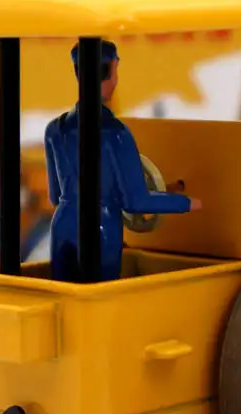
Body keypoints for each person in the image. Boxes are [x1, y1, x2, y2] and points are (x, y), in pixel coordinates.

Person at [44, 40, 201, 282]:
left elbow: (56, 196)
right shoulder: (116, 134)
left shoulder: (55, 128)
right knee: (101, 295)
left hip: (62, 226)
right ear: (110, 72)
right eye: (116, 70)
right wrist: (190, 203)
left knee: (63, 293)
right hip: (102, 229)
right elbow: (135, 201)